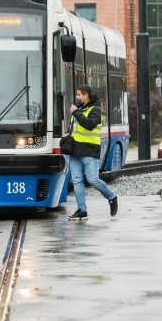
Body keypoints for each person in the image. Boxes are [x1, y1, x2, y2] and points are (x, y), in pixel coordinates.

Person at [67, 85, 118, 221]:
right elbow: (73, 129)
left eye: (79, 95)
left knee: (93, 179)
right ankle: (82, 210)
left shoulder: (95, 110)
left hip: (89, 151)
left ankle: (112, 197)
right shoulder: (78, 110)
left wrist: (75, 113)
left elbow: (89, 124)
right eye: (76, 95)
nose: (76, 97)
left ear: (86, 95)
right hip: (75, 152)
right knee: (77, 181)